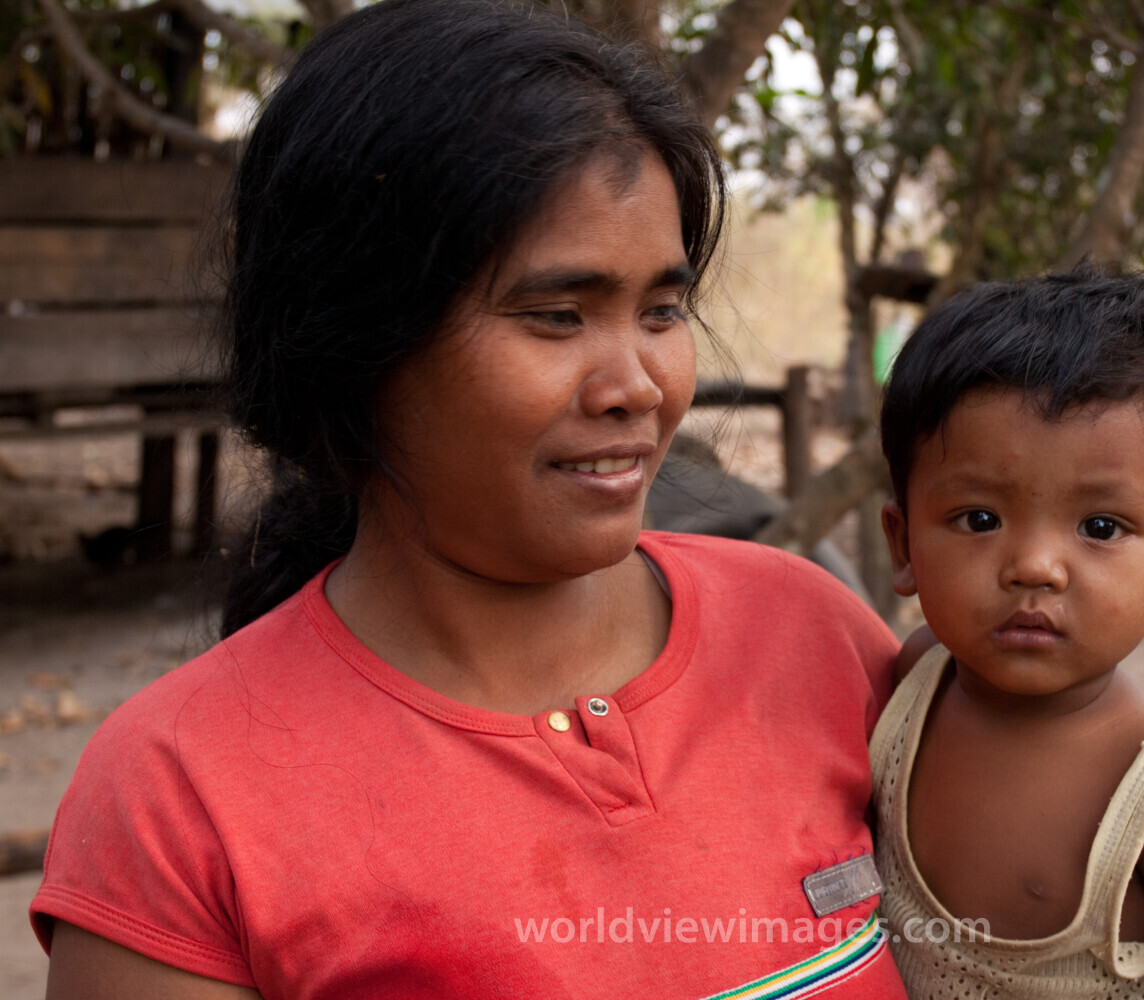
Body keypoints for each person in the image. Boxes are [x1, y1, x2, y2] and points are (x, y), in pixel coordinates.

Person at [30, 2, 908, 997]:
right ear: (357, 343)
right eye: (555, 316)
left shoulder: (813, 639)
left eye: (662, 310)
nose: (638, 382)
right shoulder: (180, 795)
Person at [871, 268, 1144, 999]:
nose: (1035, 567)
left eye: (1100, 527)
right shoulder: (909, 690)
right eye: (980, 519)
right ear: (904, 544)